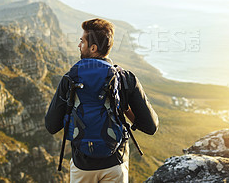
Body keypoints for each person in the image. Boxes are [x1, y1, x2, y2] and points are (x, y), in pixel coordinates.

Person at [45, 18, 159, 182]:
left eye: (82, 41)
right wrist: (124, 107)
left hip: (82, 166)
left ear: (93, 48)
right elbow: (151, 126)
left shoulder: (70, 79)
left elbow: (51, 126)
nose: (79, 45)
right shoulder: (125, 78)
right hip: (115, 165)